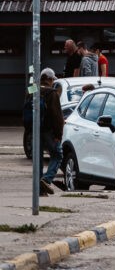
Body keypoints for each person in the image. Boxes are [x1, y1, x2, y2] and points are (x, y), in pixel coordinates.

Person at [38, 68, 64, 196]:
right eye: (53, 79)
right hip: (48, 131)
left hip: (35, 131)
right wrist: (58, 134)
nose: (53, 81)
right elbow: (57, 116)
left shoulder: (32, 91)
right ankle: (46, 180)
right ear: (49, 79)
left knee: (38, 160)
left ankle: (40, 190)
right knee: (57, 155)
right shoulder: (52, 93)